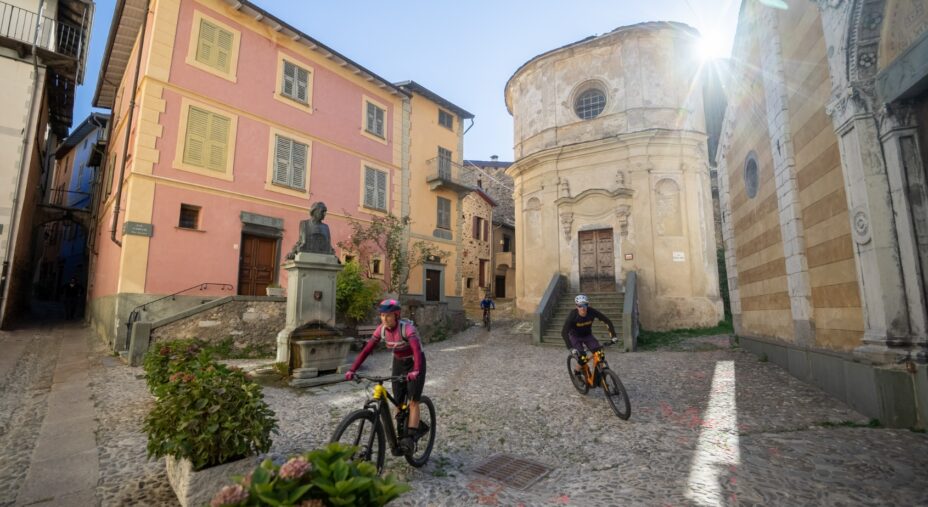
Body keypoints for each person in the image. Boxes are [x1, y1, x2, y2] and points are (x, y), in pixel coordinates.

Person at [345, 298, 426, 453]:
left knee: (413, 401)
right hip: (398, 362)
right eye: (382, 315)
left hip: (416, 362)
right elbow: (367, 350)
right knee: (397, 402)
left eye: (388, 315)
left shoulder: (407, 329)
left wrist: (416, 370)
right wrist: (352, 369)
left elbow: (416, 350)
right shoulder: (381, 330)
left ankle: (410, 438)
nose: (384, 319)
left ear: (396, 315)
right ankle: (399, 432)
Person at [561, 294, 617, 377]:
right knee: (583, 358)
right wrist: (570, 348)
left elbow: (607, 321)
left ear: (588, 305)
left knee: (600, 354)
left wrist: (613, 336)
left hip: (588, 336)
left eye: (585, 305)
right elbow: (564, 332)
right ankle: (577, 372)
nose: (583, 308)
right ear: (576, 306)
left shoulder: (591, 311)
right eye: (580, 306)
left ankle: (601, 375)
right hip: (575, 337)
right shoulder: (573, 315)